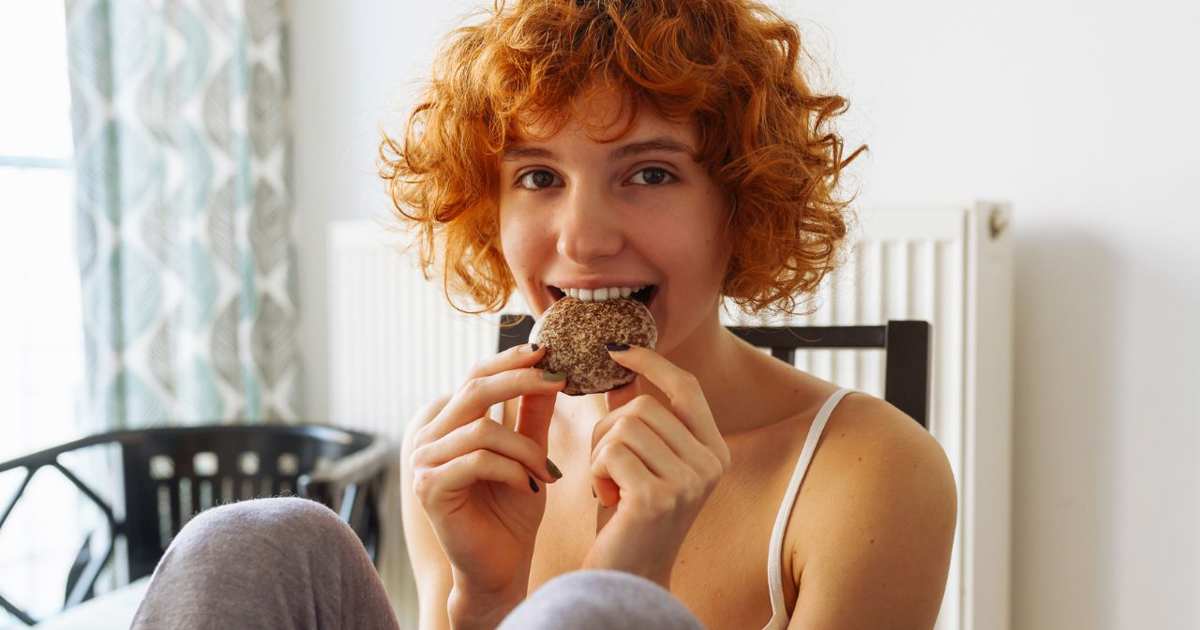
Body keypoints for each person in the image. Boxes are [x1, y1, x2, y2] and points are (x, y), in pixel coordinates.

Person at [132, 1, 956, 628]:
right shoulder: (466, 458)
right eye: (537, 177)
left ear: (740, 203)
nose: (585, 239)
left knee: (591, 610)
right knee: (248, 543)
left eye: (652, 174)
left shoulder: (870, 473)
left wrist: (629, 580)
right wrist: (480, 601)